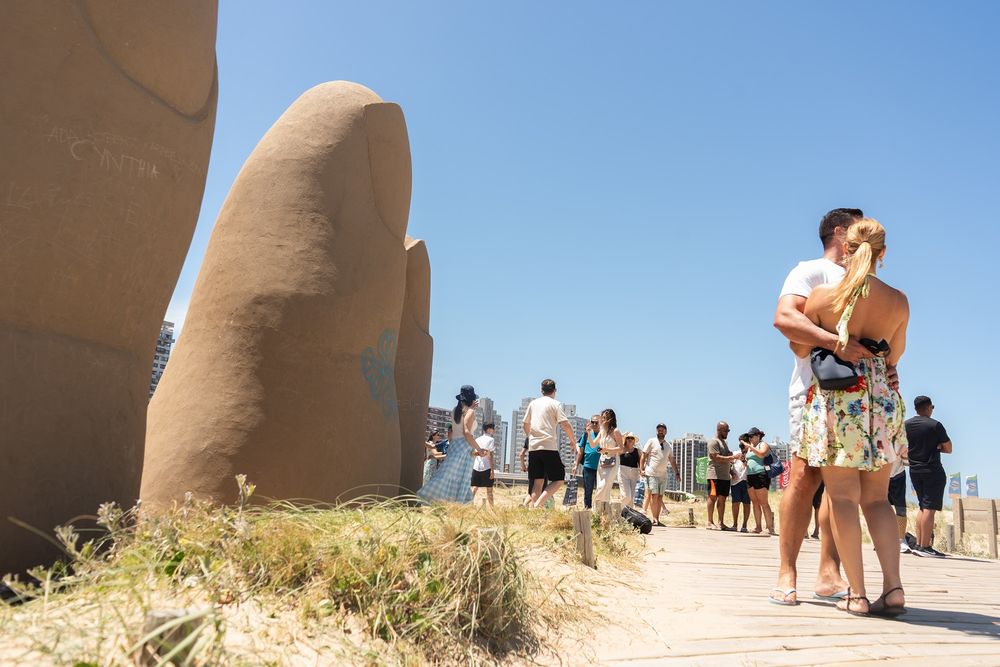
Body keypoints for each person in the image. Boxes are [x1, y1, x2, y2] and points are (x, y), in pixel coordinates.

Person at [794, 217, 909, 617]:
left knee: (842, 497)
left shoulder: (823, 297)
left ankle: (857, 595)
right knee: (878, 501)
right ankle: (893, 588)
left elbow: (799, 346)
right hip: (881, 398)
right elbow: (895, 356)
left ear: (846, 249)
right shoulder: (899, 300)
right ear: (883, 254)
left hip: (841, 401)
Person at [771, 208, 868, 605]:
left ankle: (829, 572)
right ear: (842, 233)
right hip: (813, 390)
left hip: (859, 397)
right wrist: (834, 343)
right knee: (805, 476)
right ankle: (786, 570)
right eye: (860, 228)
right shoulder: (809, 271)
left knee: (842, 484)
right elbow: (784, 319)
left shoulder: (866, 281)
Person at [418, 386, 484, 504]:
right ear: (472, 399)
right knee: (461, 478)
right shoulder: (470, 412)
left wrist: (471, 409)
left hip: (454, 445)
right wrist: (479, 449)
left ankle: (437, 500)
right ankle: (428, 497)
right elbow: (467, 433)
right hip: (464, 446)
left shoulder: (455, 410)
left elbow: (458, 429)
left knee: (447, 474)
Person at [905, 396, 952, 557]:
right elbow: (949, 448)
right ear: (927, 408)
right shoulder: (935, 425)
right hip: (932, 470)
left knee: (922, 507)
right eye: (932, 407)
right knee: (930, 509)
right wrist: (937, 446)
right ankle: (925, 546)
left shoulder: (907, 424)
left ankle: (918, 544)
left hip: (914, 469)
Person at [523, 379, 578, 508]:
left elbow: (525, 424)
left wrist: (530, 437)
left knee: (538, 481)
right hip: (548, 445)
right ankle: (537, 505)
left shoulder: (533, 403)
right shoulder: (556, 404)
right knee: (559, 479)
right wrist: (573, 441)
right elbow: (565, 424)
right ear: (555, 391)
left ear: (541, 391)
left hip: (533, 447)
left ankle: (535, 511)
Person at [640, 423, 681, 526]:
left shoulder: (668, 446)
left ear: (666, 432)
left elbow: (672, 460)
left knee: (659, 497)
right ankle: (654, 518)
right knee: (654, 495)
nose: (660, 431)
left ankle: (657, 518)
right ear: (656, 431)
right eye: (659, 430)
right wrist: (641, 469)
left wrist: (677, 473)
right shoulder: (651, 441)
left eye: (662, 430)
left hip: (663, 475)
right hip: (651, 473)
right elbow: (643, 455)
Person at [588, 409, 624, 505]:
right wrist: (588, 434)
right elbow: (592, 445)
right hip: (602, 461)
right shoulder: (602, 431)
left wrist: (607, 450)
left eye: (606, 418)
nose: (603, 420)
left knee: (603, 486)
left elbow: (621, 449)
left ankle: (595, 507)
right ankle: (603, 512)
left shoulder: (616, 431)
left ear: (611, 419)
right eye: (603, 417)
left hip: (613, 461)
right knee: (602, 487)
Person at [745, 427, 776, 536]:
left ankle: (769, 528)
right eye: (749, 437)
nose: (750, 438)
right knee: (755, 502)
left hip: (761, 474)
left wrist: (750, 447)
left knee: (763, 502)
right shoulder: (750, 447)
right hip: (750, 475)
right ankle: (758, 526)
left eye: (752, 436)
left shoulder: (762, 444)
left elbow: (762, 454)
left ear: (758, 436)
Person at [706, 421, 736, 530]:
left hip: (725, 476)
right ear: (719, 429)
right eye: (725, 430)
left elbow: (727, 456)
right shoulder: (713, 442)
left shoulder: (724, 442)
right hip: (714, 475)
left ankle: (721, 523)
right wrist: (732, 457)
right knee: (712, 497)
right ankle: (709, 522)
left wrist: (731, 469)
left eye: (728, 431)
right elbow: (716, 457)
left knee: (722, 499)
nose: (727, 432)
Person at [887, 447, 911, 554]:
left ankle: (901, 539)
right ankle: (882, 539)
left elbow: (906, 461)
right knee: (882, 508)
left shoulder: (899, 431)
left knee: (900, 508)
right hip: (880, 473)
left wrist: (904, 455)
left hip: (898, 473)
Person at [576, 415, 602, 509]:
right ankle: (587, 509)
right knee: (588, 490)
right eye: (593, 422)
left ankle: (599, 510)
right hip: (588, 467)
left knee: (600, 490)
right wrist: (576, 465)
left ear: (601, 423)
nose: (594, 424)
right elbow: (580, 451)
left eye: (596, 422)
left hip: (601, 468)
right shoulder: (586, 434)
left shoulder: (603, 435)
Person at [471, 423, 497, 507]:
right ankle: (493, 510)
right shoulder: (491, 440)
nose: (494, 430)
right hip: (486, 467)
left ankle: (467, 505)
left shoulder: (477, 439)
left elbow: (473, 453)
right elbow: (489, 455)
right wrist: (492, 471)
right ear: (489, 429)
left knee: (474, 488)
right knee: (489, 490)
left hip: (476, 466)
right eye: (493, 428)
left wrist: (480, 453)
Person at [730, 437, 751, 533]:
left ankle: (744, 525)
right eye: (741, 445)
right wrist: (731, 472)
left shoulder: (752, 454)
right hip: (735, 481)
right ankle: (734, 524)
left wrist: (744, 460)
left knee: (746, 504)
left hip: (747, 481)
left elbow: (752, 466)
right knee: (735, 503)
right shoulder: (735, 453)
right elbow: (729, 464)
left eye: (744, 445)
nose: (743, 447)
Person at [618, 432, 641, 508]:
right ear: (625, 439)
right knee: (626, 496)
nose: (630, 440)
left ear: (634, 441)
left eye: (632, 438)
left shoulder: (637, 451)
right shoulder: (621, 449)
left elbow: (641, 462)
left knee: (631, 498)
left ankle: (628, 516)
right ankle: (619, 509)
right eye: (628, 438)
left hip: (634, 474)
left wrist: (642, 471)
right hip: (623, 473)